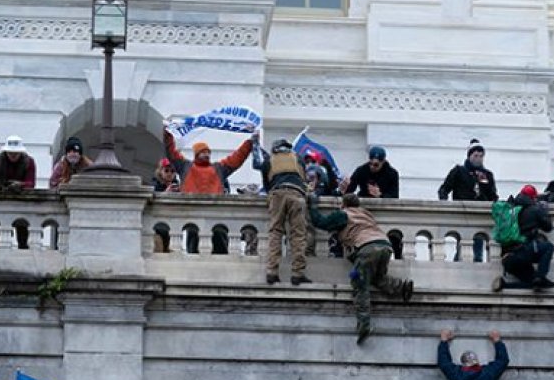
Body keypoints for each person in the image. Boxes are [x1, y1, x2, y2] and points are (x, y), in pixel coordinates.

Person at [309, 193, 413, 344]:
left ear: (344, 205)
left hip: (367, 249)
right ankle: (401, 287)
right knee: (376, 278)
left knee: (360, 284)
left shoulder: (344, 214)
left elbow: (321, 222)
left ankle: (364, 324)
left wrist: (312, 206)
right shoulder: (366, 214)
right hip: (384, 246)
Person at [163, 126, 253, 254]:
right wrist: (168, 134)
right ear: (196, 154)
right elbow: (171, 152)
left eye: (208, 152)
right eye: (203, 152)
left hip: (216, 215)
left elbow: (237, 157)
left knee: (220, 245)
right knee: (194, 249)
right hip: (193, 216)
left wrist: (249, 143)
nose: (206, 154)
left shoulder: (219, 168)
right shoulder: (185, 167)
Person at [261, 139, 311, 286]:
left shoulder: (269, 160)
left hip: (277, 193)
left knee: (275, 232)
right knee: (298, 234)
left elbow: (266, 184)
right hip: (297, 194)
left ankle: (272, 272)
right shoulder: (298, 158)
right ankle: (297, 273)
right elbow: (304, 179)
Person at [438, 139, 498, 262]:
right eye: (476, 156)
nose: (478, 159)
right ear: (469, 156)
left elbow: (493, 195)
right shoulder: (459, 171)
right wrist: (445, 204)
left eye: (481, 156)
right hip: (463, 213)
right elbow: (444, 189)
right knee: (464, 245)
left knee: (478, 248)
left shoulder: (486, 175)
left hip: (480, 215)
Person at [492, 185, 554, 293]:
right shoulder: (534, 209)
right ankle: (541, 276)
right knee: (548, 247)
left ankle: (505, 285)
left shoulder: (510, 209)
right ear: (533, 197)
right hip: (524, 252)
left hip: (508, 258)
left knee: (533, 283)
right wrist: (543, 211)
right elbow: (548, 227)